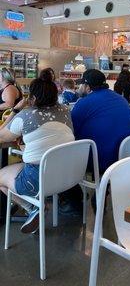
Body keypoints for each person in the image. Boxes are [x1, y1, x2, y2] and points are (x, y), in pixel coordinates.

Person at [0, 70, 74, 233]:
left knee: (1, 177)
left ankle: (33, 208)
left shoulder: (26, 115)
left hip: (38, 180)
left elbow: (1, 136)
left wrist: (15, 110)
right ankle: (35, 208)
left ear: (32, 98)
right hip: (67, 175)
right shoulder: (66, 111)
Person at [72, 69, 130, 173]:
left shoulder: (84, 103)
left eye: (81, 85)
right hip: (127, 156)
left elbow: (71, 131)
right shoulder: (119, 98)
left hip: (101, 161)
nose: (79, 88)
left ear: (88, 87)